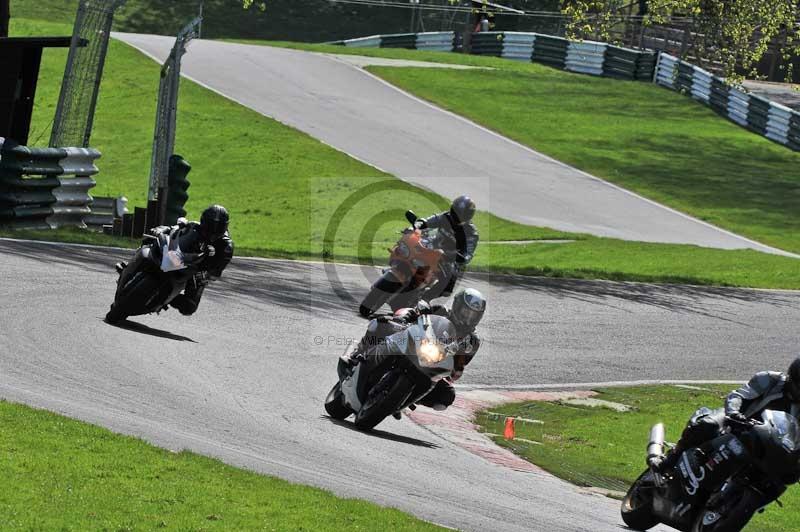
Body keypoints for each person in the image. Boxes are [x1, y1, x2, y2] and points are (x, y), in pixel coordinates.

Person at [347, 288, 486, 412]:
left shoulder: (472, 341)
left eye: (473, 315)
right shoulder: (441, 310)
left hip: (434, 365)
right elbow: (416, 311)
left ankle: (404, 399)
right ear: (457, 306)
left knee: (447, 395)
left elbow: (459, 366)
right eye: (466, 312)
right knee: (381, 324)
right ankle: (358, 353)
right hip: (412, 344)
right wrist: (405, 317)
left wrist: (455, 370)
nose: (468, 318)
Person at [652, 358, 800, 474]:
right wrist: (734, 413)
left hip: (764, 445)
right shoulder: (770, 379)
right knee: (707, 425)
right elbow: (738, 395)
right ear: (791, 378)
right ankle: (671, 459)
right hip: (736, 423)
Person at [116, 205, 234, 316]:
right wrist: (161, 230)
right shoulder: (194, 227)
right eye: (210, 226)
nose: (212, 231)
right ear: (203, 222)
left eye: (217, 228)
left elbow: (217, 272)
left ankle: (167, 298)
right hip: (179, 258)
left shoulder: (226, 247)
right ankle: (130, 266)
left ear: (224, 227)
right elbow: (174, 230)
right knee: (150, 242)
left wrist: (204, 274)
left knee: (189, 307)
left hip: (197, 271)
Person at [415, 195, 479, 297]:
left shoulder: (471, 233)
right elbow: (431, 221)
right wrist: (420, 225)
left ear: (468, 216)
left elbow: (467, 255)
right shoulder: (445, 217)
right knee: (411, 245)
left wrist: (459, 257)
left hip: (448, 259)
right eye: (456, 212)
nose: (457, 216)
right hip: (432, 246)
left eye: (461, 214)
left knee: (448, 280)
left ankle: (424, 300)